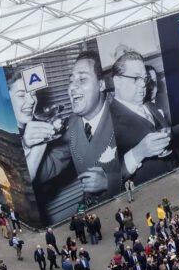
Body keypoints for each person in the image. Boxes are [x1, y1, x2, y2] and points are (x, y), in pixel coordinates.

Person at [34, 51, 122, 207]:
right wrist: (37, 144)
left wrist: (110, 181)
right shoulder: (71, 125)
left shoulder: (122, 115)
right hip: (87, 208)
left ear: (101, 85)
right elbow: (44, 171)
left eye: (82, 79)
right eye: (71, 80)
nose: (72, 87)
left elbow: (156, 172)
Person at [108, 49, 178, 183]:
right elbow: (109, 180)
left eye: (144, 79)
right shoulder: (108, 122)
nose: (143, 85)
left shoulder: (149, 105)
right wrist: (138, 153)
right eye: (135, 78)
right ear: (117, 81)